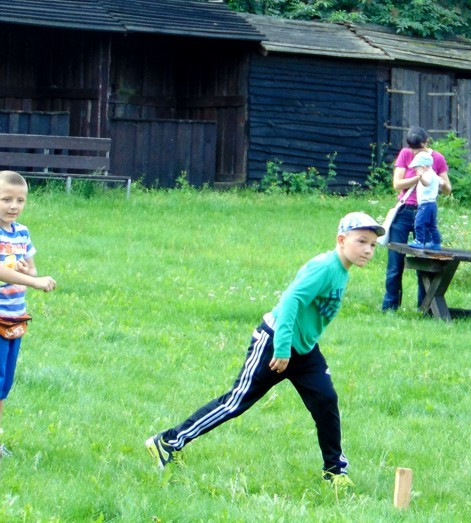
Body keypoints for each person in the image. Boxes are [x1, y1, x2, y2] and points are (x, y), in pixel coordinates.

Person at [146, 212, 385, 489]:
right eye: (362, 241)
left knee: (326, 400)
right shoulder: (325, 267)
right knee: (235, 403)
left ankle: (334, 471)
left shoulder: (341, 270)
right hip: (275, 344)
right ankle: (167, 442)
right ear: (342, 240)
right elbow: (291, 301)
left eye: (373, 245)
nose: (368, 249)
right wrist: (282, 349)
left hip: (304, 351)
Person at [0, 171, 57, 455]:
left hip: (15, 318)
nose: (13, 206)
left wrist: (24, 270)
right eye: (6, 199)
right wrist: (34, 281)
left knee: (3, 384)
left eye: (20, 200)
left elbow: (29, 267)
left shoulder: (21, 232)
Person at [382, 126, 452, 311]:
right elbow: (397, 184)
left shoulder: (437, 159)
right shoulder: (405, 154)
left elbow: (448, 189)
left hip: (425, 210)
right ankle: (390, 306)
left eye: (418, 148)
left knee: (425, 261)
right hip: (405, 211)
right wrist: (420, 177)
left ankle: (425, 307)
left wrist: (434, 178)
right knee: (395, 262)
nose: (414, 152)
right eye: (412, 148)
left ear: (426, 143)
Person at [406, 151, 448, 250]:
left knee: (419, 223)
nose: (416, 171)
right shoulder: (434, 174)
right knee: (431, 225)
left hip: (425, 204)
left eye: (417, 168)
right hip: (432, 204)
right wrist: (441, 182)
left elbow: (426, 183)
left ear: (424, 167)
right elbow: (441, 181)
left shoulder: (427, 175)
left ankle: (419, 241)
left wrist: (420, 177)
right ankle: (436, 242)